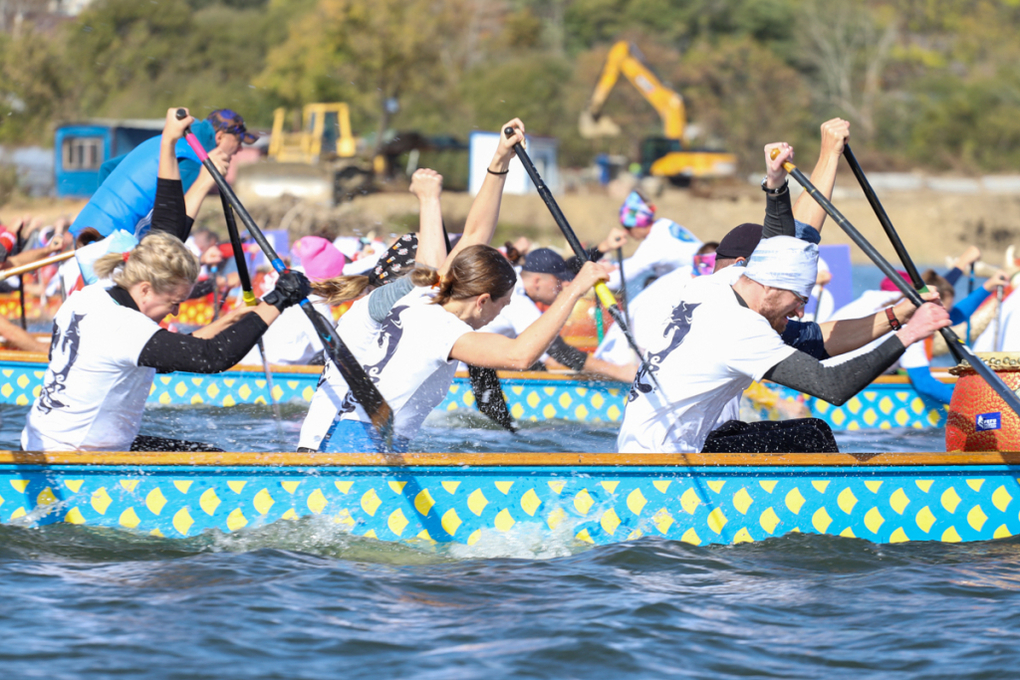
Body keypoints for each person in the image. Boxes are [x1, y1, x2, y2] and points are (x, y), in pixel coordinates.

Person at [616, 143, 953, 454]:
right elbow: (833, 386)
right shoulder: (741, 329)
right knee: (813, 436)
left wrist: (778, 184)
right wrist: (909, 335)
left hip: (652, 444)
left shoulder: (722, 282)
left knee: (807, 432)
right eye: (799, 299)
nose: (801, 310)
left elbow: (788, 244)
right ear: (772, 287)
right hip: (665, 466)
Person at [21, 108, 311, 452]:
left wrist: (170, 142)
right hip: (74, 461)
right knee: (213, 460)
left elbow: (164, 229)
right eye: (174, 303)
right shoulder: (122, 326)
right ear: (144, 287)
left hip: (45, 444)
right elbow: (212, 357)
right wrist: (277, 301)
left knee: (204, 453)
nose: (174, 315)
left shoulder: (90, 297)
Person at [69, 109, 256, 239]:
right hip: (109, 244)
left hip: (85, 230)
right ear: (220, 137)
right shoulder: (191, 162)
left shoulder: (170, 140)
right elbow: (171, 233)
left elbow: (107, 168)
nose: (240, 149)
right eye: (239, 141)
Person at [480, 246, 637, 383]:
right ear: (537, 281)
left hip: (486, 360)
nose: (566, 284)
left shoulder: (516, 275)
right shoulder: (517, 301)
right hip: (476, 371)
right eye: (559, 280)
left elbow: (571, 264)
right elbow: (560, 352)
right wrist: (620, 372)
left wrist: (603, 247)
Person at [607, 190, 703, 294]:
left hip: (703, 281)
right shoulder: (664, 224)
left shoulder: (656, 243)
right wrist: (614, 267)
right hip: (708, 269)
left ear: (639, 224)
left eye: (628, 227)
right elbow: (635, 261)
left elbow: (617, 280)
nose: (626, 232)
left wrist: (594, 280)